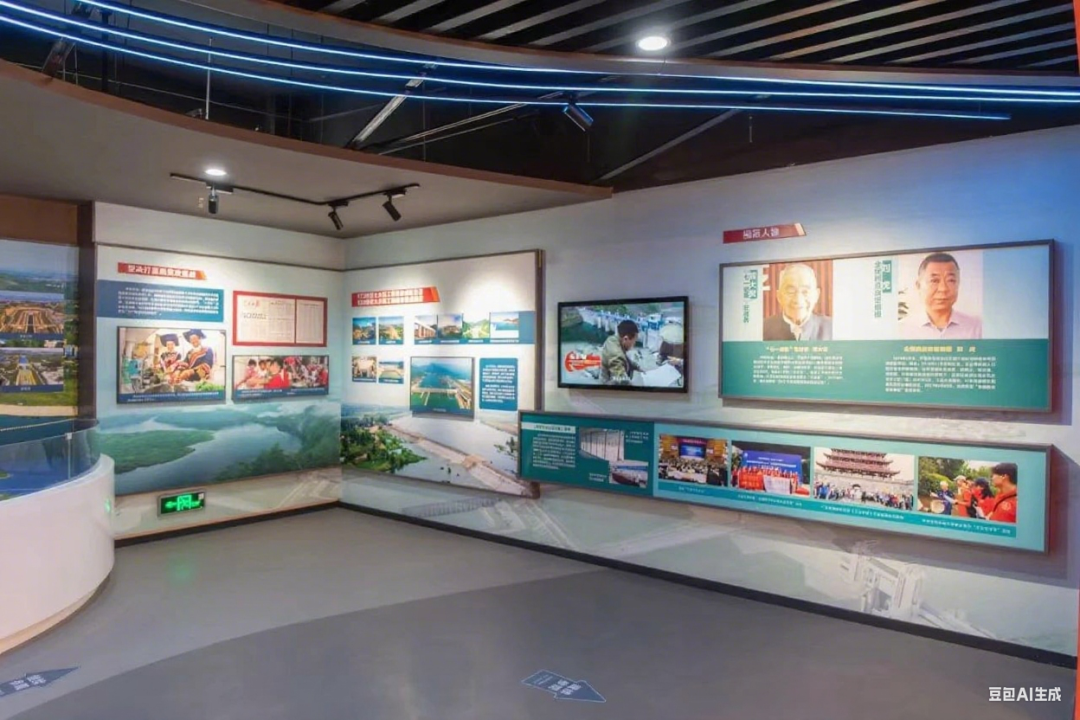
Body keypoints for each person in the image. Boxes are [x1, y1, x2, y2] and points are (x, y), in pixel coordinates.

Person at [901, 252, 982, 339]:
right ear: (918, 286)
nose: (943, 289)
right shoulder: (902, 329)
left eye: (950, 280)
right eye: (934, 280)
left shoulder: (977, 327)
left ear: (958, 284)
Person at [763, 263, 832, 341]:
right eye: (791, 291)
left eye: (805, 291)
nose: (798, 299)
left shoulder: (832, 328)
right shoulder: (762, 329)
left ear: (816, 295)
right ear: (779, 296)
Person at [600, 319, 643, 385]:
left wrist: (637, 367)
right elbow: (623, 380)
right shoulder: (616, 355)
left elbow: (625, 357)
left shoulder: (614, 339)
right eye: (634, 342)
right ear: (626, 339)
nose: (633, 345)